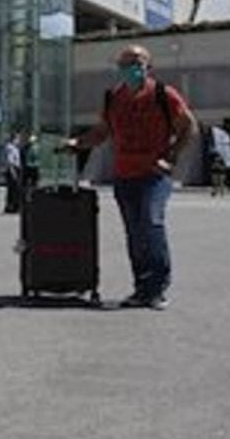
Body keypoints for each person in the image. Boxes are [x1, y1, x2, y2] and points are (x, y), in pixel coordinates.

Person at [63, 44, 197, 310]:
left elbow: (189, 128)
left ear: (148, 66)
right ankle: (142, 288)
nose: (131, 68)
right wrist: (77, 142)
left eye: (136, 62)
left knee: (151, 223)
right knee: (135, 233)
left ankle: (158, 288)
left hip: (154, 175)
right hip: (124, 176)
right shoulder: (113, 97)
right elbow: (102, 132)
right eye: (125, 64)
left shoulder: (163, 94)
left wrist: (170, 158)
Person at [3, 133, 22, 214]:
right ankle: (12, 206)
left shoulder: (15, 148)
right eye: (17, 139)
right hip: (13, 169)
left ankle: (12, 206)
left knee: (13, 190)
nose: (19, 141)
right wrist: (13, 173)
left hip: (15, 169)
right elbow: (10, 162)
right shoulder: (10, 148)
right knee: (13, 190)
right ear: (13, 139)